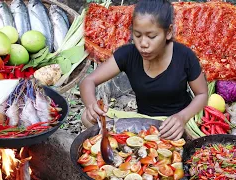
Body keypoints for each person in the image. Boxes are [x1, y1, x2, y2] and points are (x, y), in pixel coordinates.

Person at [79, 0, 208, 140]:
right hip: (143, 122)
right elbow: (88, 81)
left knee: (192, 144)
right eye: (138, 35)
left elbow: (202, 94)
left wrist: (182, 117)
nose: (143, 44)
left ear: (168, 32)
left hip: (175, 122)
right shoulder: (128, 54)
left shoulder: (184, 56)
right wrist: (92, 106)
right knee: (87, 117)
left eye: (151, 36)